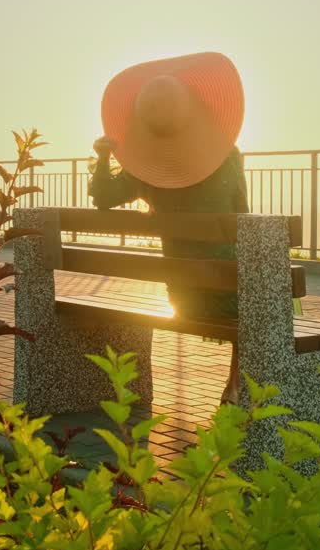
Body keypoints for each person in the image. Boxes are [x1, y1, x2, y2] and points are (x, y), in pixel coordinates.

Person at [88, 52, 249, 404]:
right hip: (227, 297)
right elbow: (245, 222)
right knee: (263, 295)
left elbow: (103, 197)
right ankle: (235, 386)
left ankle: (236, 386)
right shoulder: (228, 157)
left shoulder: (146, 168)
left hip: (184, 297)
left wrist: (102, 157)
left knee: (244, 291)